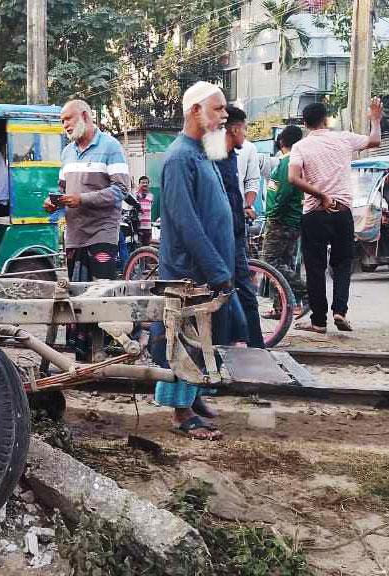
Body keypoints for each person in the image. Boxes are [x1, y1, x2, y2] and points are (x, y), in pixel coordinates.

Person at [153, 82, 246, 441]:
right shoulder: (178, 157)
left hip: (207, 268)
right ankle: (181, 413)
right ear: (195, 111)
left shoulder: (200, 152)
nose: (224, 115)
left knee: (204, 336)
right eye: (218, 108)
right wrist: (217, 269)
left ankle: (193, 399)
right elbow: (185, 221)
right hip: (188, 271)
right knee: (185, 340)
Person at [289, 99, 383, 334]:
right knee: (342, 265)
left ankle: (319, 322)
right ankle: (340, 311)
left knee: (314, 267)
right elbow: (375, 140)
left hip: (314, 214)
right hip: (342, 213)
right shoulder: (344, 138)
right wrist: (375, 118)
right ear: (325, 119)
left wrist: (321, 195)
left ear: (305, 124)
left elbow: (293, 178)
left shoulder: (300, 147)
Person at [45, 99, 129, 282]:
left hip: (102, 234)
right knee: (75, 296)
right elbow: (62, 189)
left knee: (100, 296)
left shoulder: (111, 147)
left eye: (68, 119)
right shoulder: (67, 152)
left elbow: (121, 190)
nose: (65, 125)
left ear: (84, 116)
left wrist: (82, 199)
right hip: (74, 236)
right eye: (62, 121)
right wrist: (53, 202)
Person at [217, 105, 264, 349]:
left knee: (244, 293)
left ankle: (254, 347)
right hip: (223, 239)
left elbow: (242, 188)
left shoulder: (234, 155)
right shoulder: (212, 157)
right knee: (233, 294)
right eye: (244, 129)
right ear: (234, 129)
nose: (245, 134)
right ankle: (243, 348)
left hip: (235, 234)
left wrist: (246, 207)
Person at [262, 126, 308, 316]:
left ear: (281, 142)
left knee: (270, 262)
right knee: (284, 263)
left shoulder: (288, 162)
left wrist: (273, 213)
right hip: (291, 220)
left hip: (282, 220)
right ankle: (280, 307)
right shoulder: (294, 162)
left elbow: (283, 193)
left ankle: (305, 291)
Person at [136, 176, 153, 247]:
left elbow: (150, 207)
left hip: (148, 227)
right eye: (143, 182)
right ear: (139, 184)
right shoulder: (136, 195)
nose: (145, 184)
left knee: (147, 248)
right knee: (138, 249)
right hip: (138, 227)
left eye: (146, 183)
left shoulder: (151, 196)